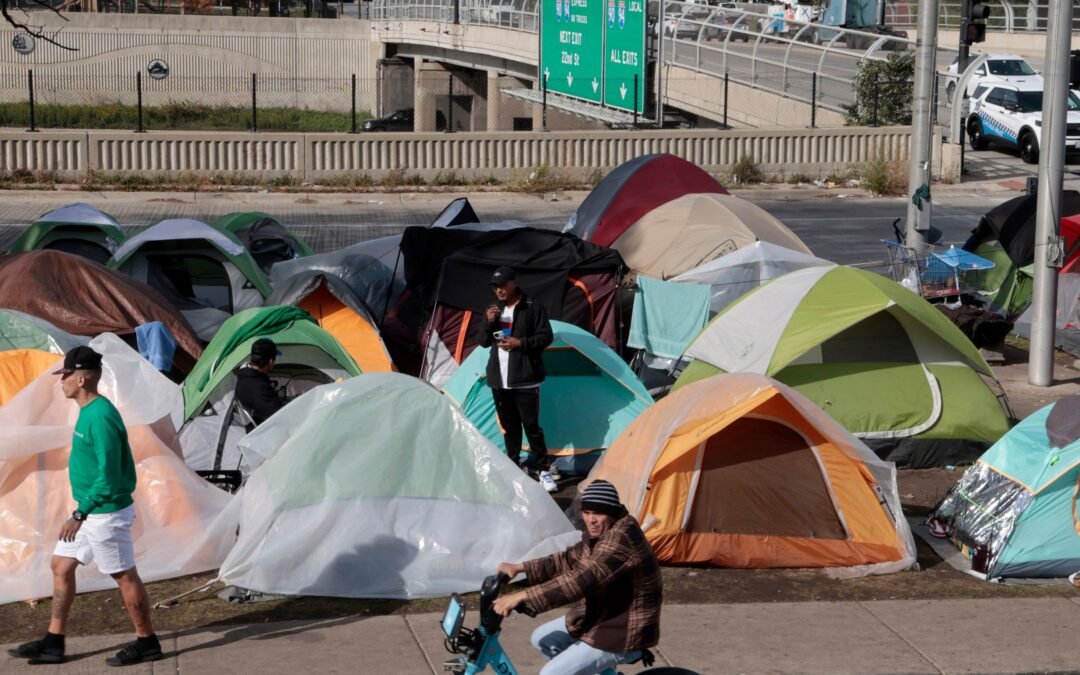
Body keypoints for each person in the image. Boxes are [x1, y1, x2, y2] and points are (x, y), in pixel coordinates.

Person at [8, 346, 163, 667]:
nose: (60, 381)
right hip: (91, 509)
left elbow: (110, 475)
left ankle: (147, 642)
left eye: (64, 375)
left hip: (106, 512)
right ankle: (53, 642)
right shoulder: (88, 411)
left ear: (80, 378)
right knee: (60, 566)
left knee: (124, 575)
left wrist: (81, 512)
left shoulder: (102, 417)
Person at [493, 480, 662, 675]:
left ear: (613, 512)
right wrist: (520, 567)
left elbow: (580, 581)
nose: (591, 520)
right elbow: (568, 559)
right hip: (602, 614)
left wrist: (522, 596)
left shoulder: (620, 540)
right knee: (543, 639)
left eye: (598, 513)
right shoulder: (602, 532)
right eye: (587, 512)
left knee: (551, 674)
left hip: (623, 629)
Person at [480, 266, 558, 493]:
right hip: (499, 379)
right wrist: (487, 321)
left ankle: (543, 470)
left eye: (503, 285)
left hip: (525, 378)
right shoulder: (493, 309)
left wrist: (520, 343)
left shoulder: (532, 306)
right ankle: (513, 465)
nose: (499, 290)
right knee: (509, 427)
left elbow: (546, 336)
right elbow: (483, 342)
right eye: (495, 287)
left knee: (531, 426)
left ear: (514, 283)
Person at [234, 338, 285, 427]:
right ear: (270, 361)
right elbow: (280, 413)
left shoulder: (245, 377)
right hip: (264, 430)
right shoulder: (257, 386)